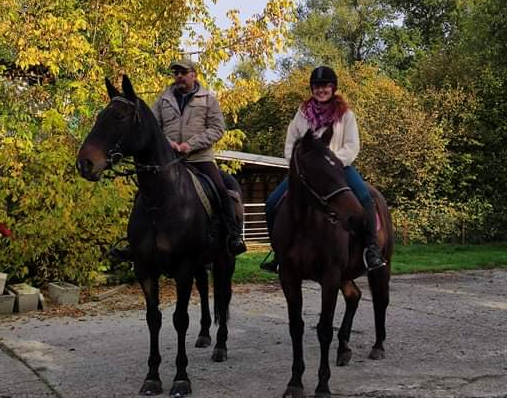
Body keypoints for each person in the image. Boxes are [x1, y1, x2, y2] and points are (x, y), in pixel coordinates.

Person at [110, 59, 246, 261]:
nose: (179, 76)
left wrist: (190, 145)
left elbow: (218, 129)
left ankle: (232, 235)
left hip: (200, 158)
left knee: (218, 188)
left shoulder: (208, 99)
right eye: (176, 73)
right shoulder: (163, 100)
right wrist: (169, 143)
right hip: (168, 159)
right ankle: (136, 242)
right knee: (144, 193)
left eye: (183, 72)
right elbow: (151, 127)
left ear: (194, 74)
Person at [261, 65, 386, 272]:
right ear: (311, 88)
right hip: (306, 173)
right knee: (272, 203)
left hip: (337, 168)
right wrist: (298, 165)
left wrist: (331, 163)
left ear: (333, 87)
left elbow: (352, 145)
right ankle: (278, 254)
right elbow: (290, 143)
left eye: (325, 86)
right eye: (317, 86)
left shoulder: (346, 115)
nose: (321, 90)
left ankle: (371, 248)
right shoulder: (301, 114)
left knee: (364, 197)